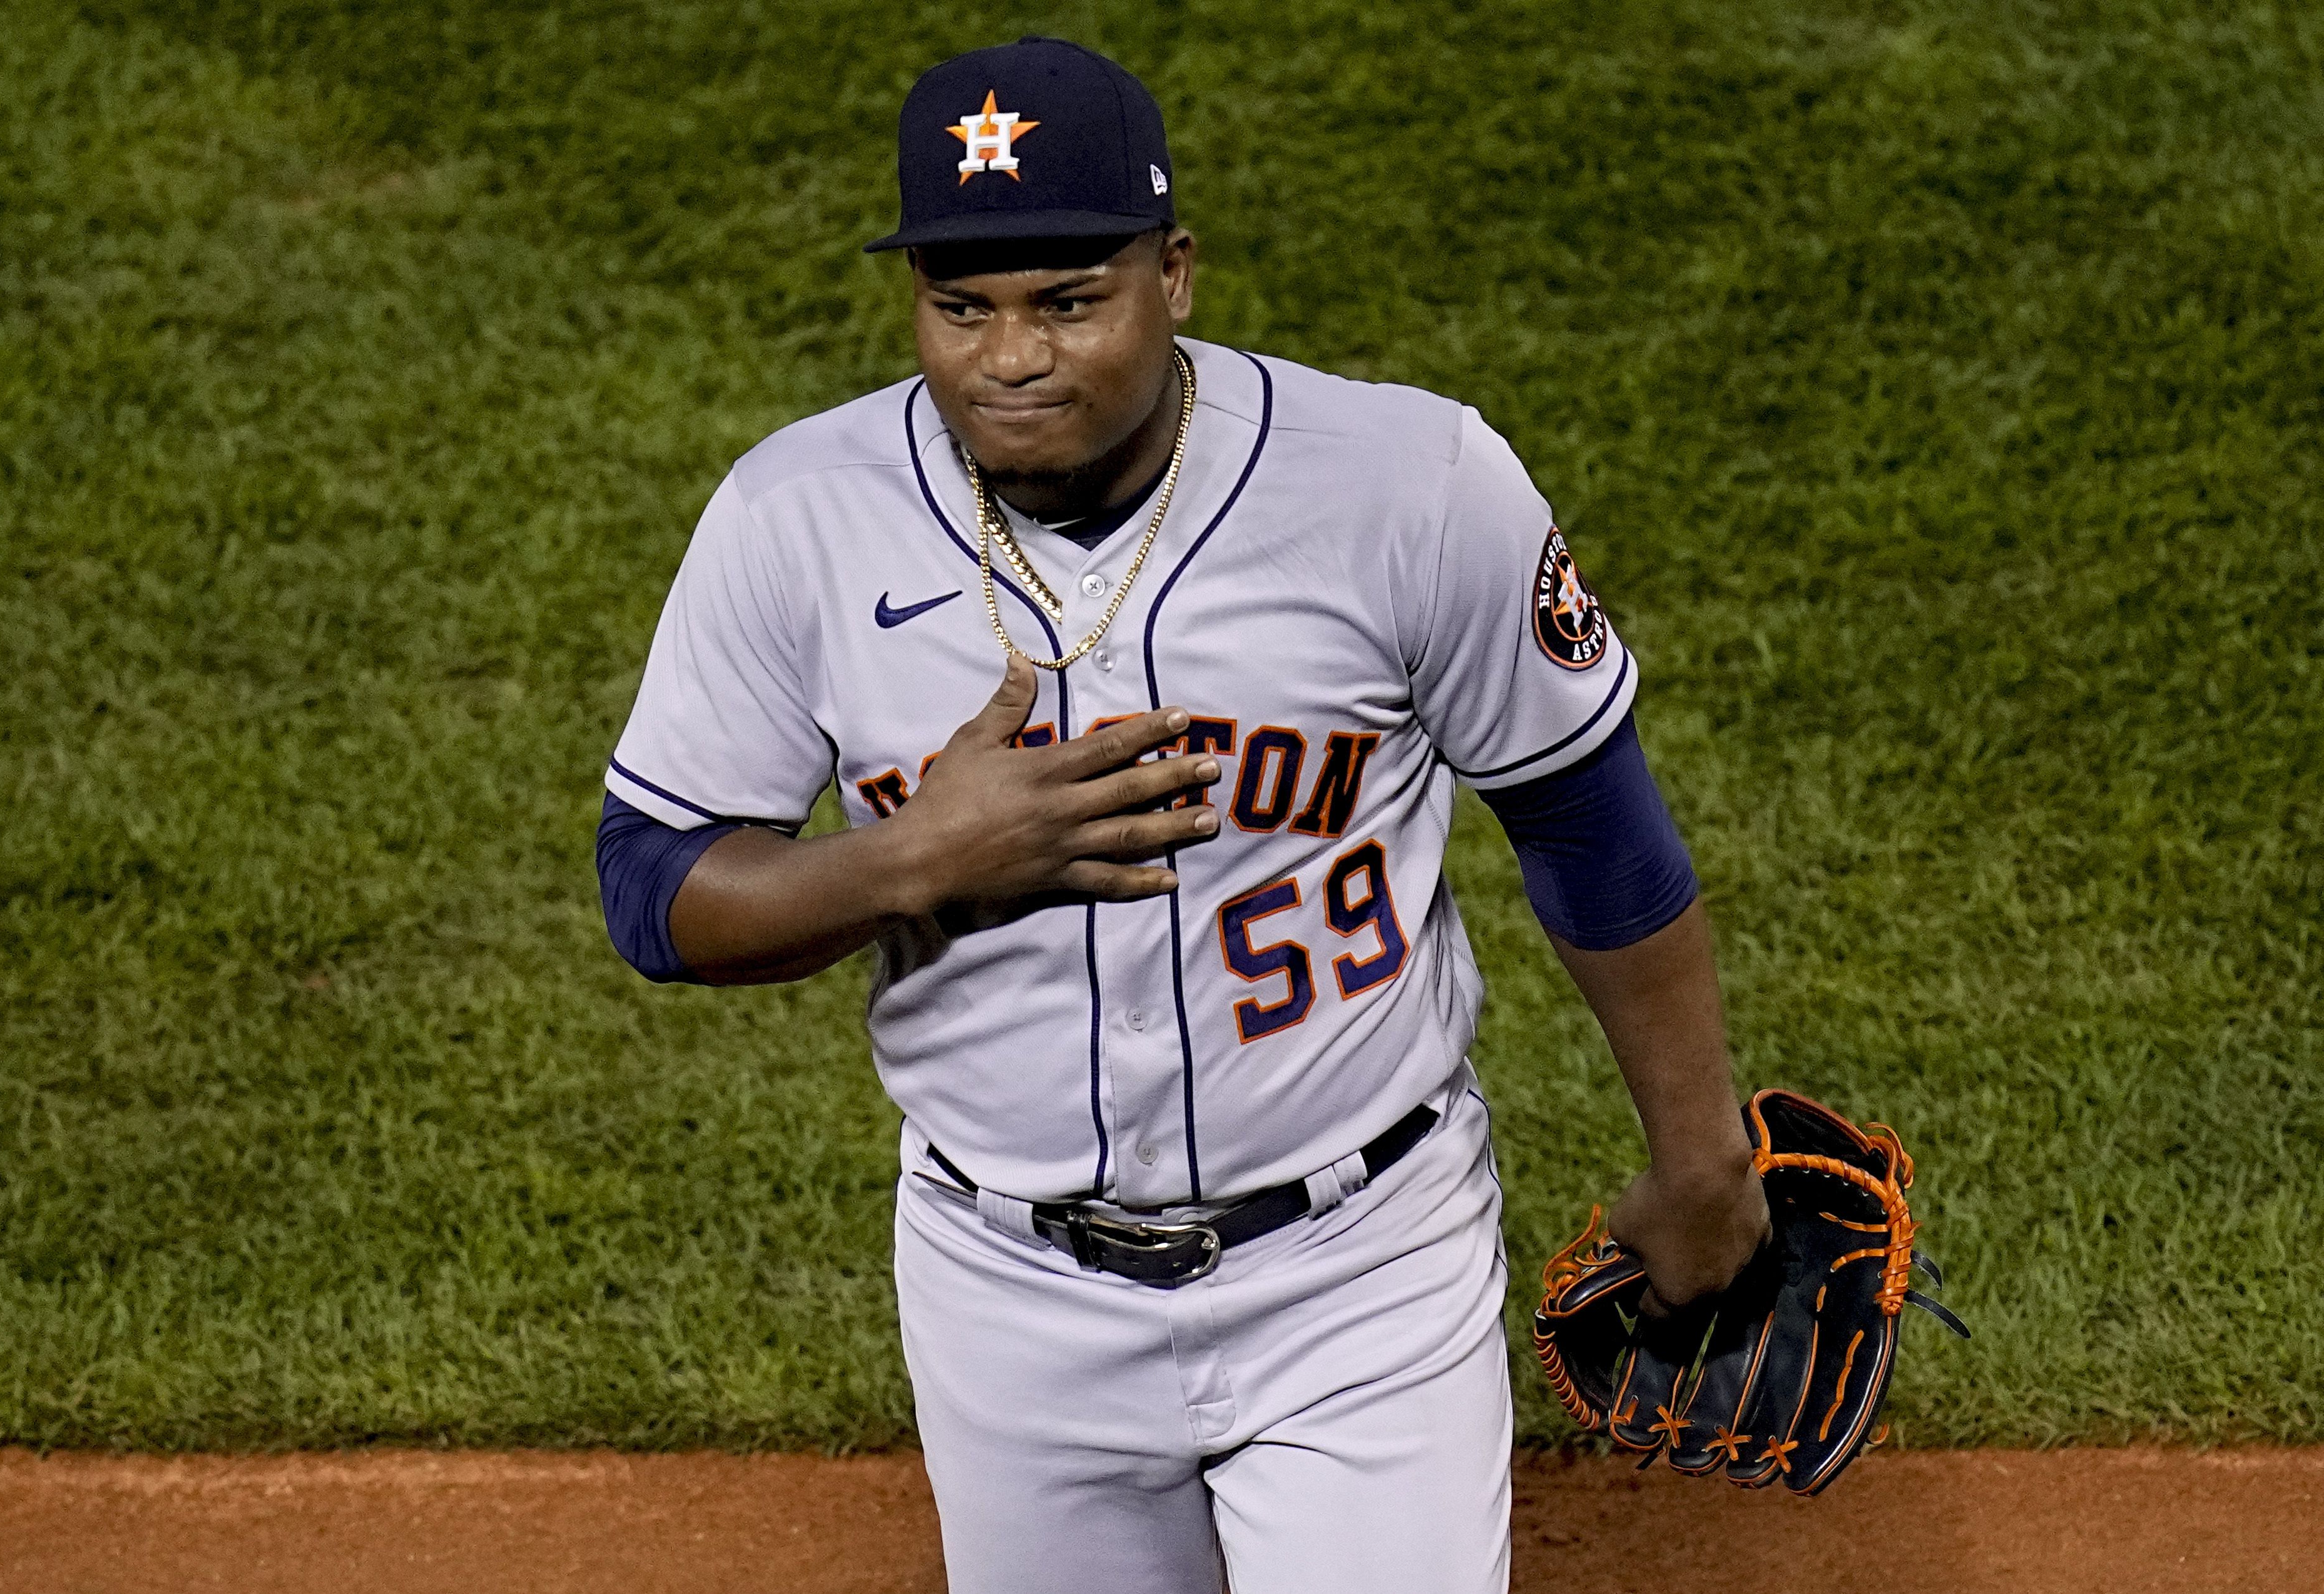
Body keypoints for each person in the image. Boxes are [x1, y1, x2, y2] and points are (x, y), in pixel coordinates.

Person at [596, 36, 1767, 1594]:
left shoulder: (1408, 484)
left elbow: (1588, 826)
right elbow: (652, 891)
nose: (1008, 356)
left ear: (1175, 274)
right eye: (963, 307)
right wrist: (912, 859)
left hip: (1362, 1266)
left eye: (1066, 301)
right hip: (1005, 1293)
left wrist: (1699, 1165)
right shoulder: (793, 515)